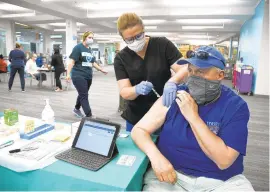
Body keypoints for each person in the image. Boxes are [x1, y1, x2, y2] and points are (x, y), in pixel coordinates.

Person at [131, 46, 254, 191]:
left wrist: (193, 117)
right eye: (191, 71)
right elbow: (139, 130)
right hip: (172, 175)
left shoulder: (235, 106)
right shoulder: (174, 96)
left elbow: (224, 160)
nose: (194, 77)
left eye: (201, 72)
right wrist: (156, 158)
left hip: (220, 181)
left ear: (220, 75)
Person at [113, 13, 187, 131]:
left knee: (164, 147)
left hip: (164, 112)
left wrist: (172, 82)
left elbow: (185, 68)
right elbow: (124, 91)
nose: (135, 41)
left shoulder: (162, 45)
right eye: (129, 39)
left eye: (138, 36)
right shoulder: (121, 58)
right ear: (123, 38)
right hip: (137, 117)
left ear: (144, 30)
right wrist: (136, 89)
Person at [66, 31, 108, 118]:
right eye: (90, 37)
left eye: (92, 38)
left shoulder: (89, 50)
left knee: (83, 93)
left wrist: (101, 69)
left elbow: (92, 62)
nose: (91, 39)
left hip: (88, 76)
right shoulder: (78, 48)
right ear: (85, 38)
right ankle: (89, 115)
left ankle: (76, 109)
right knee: (84, 95)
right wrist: (68, 74)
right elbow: (71, 62)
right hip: (78, 75)